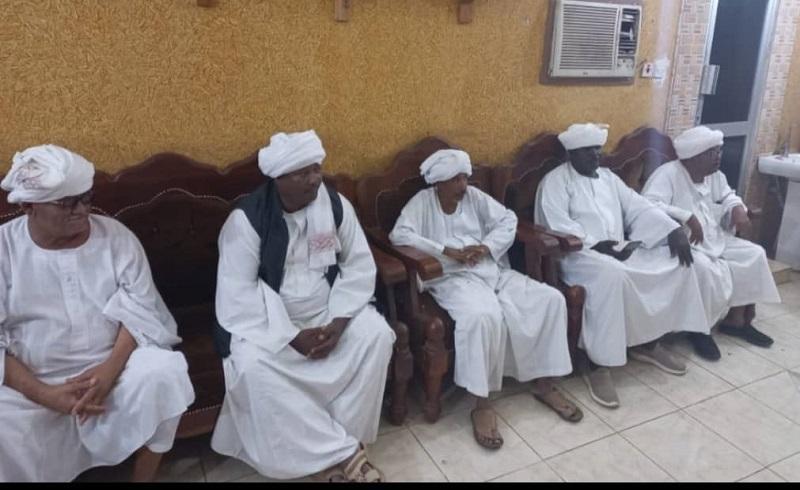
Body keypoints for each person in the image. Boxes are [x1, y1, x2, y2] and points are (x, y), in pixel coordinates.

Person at [0, 144, 195, 482]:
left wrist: (109, 371)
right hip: (32, 383)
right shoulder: (4, 249)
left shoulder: (116, 237)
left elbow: (141, 310)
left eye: (86, 198)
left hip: (113, 370)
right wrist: (44, 394)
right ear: (28, 206)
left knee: (165, 371)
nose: (81, 211)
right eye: (66, 203)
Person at [211, 130, 394, 482]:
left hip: (330, 311)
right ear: (278, 179)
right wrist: (292, 338)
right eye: (303, 173)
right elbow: (237, 293)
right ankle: (343, 455)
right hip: (270, 322)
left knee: (377, 335)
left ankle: (335, 446)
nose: (315, 179)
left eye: (316, 169)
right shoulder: (246, 220)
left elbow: (358, 265)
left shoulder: (336, 205)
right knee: (250, 367)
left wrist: (338, 325)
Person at [390, 149, 579, 450]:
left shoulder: (475, 197)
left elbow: (508, 219)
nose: (463, 185)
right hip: (452, 279)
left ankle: (544, 384)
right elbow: (400, 235)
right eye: (455, 180)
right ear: (438, 183)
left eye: (465, 178)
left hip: (490, 269)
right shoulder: (422, 203)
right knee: (482, 317)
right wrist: (445, 250)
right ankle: (481, 404)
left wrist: (486, 247)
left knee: (549, 299)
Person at [535, 123, 712, 409]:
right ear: (572, 154)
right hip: (578, 256)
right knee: (613, 275)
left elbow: (638, 207)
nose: (596, 155)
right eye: (588, 151)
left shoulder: (608, 178)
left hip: (618, 248)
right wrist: (596, 244)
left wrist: (671, 229)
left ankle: (649, 342)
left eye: (598, 149)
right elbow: (555, 223)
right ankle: (597, 363)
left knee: (677, 261)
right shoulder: (555, 182)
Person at [642, 125, 781, 356]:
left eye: (719, 151)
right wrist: (687, 217)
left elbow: (727, 194)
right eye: (712, 152)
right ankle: (700, 329)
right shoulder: (668, 175)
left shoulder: (715, 176)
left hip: (715, 237)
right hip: (681, 242)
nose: (718, 157)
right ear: (694, 156)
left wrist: (737, 207)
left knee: (754, 253)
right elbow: (648, 205)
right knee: (705, 269)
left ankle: (736, 321)